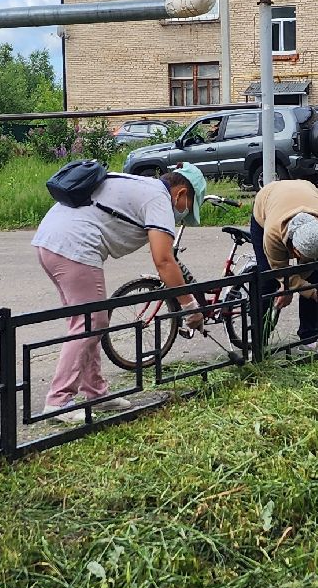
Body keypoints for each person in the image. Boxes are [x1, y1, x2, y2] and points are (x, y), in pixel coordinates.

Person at [32, 162, 208, 417]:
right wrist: (190, 306)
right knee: (91, 322)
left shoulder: (142, 186)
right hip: (74, 245)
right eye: (188, 207)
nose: (184, 214)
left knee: (89, 321)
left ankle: (96, 393)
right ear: (180, 193)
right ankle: (59, 401)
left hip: (52, 241)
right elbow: (164, 260)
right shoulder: (159, 199)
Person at [248, 177, 318, 350]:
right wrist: (286, 285)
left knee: (313, 277)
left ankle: (309, 338)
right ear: (293, 247)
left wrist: (303, 290)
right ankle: (259, 341)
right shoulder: (273, 233)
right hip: (267, 204)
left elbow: (311, 267)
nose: (304, 260)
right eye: (302, 256)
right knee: (267, 279)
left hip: (304, 191)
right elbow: (279, 270)